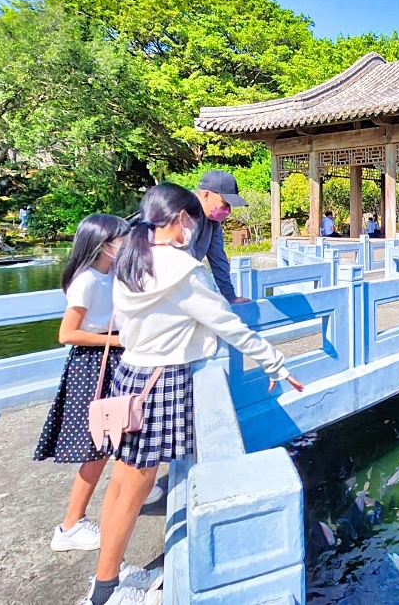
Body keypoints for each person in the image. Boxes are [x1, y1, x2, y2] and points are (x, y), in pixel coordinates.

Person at [78, 184, 304, 605]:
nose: (195, 228)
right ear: (182, 218)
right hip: (160, 381)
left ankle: (107, 573)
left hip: (132, 374)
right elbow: (228, 325)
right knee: (135, 489)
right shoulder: (182, 269)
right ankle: (105, 592)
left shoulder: (132, 257)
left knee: (122, 483)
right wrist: (275, 362)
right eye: (193, 219)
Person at [34, 215, 140, 557]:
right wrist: (118, 340)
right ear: (101, 243)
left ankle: (76, 522)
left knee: (107, 444)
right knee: (95, 446)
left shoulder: (110, 275)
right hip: (93, 364)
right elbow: (67, 334)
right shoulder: (87, 281)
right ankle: (70, 524)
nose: (124, 245)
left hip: (110, 357)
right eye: (119, 240)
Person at [190, 171, 249, 305]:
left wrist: (230, 297)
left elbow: (218, 259)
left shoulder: (213, 222)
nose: (228, 210)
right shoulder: (182, 216)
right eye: (225, 203)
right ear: (206, 195)